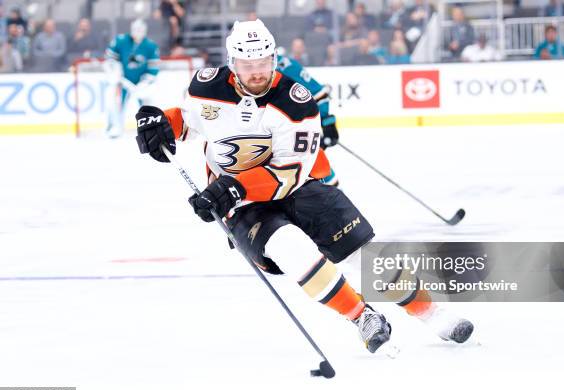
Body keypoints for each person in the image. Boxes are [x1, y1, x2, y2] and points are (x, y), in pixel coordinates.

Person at [135, 19, 474, 354]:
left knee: (362, 255)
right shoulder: (205, 87)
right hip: (240, 203)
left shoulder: (295, 102)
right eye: (247, 64)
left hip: (293, 187)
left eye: (263, 63)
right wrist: (162, 124)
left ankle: (431, 312)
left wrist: (233, 187)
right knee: (290, 247)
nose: (256, 72)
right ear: (231, 63)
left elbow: (288, 175)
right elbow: (189, 122)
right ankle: (362, 317)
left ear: (274, 59)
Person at [276, 46, 340, 185]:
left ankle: (333, 197)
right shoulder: (237, 71)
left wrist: (327, 123)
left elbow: (318, 93)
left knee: (314, 168)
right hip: (261, 136)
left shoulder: (284, 65)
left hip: (294, 131)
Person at [104, 19, 160, 138]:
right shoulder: (121, 40)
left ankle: (147, 129)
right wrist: (115, 71)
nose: (137, 32)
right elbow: (110, 57)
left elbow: (153, 68)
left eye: (140, 30)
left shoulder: (151, 46)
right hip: (123, 81)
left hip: (141, 83)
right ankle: (116, 126)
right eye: (135, 29)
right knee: (114, 101)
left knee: (146, 105)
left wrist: (144, 83)